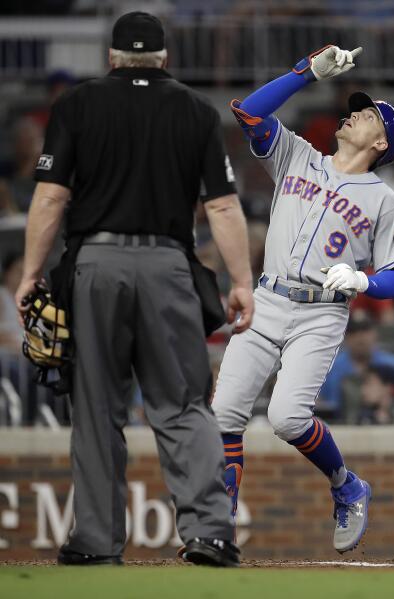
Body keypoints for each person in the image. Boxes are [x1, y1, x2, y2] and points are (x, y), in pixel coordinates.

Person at [15, 11, 254, 568]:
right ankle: (209, 533)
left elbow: (50, 198)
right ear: (164, 58)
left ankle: (97, 541)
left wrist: (29, 273)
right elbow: (219, 204)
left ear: (112, 58)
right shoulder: (195, 109)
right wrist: (241, 281)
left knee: (97, 408)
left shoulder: (77, 105)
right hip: (169, 263)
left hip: (95, 263)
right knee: (181, 405)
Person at [211, 44, 394, 554]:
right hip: (269, 296)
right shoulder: (300, 154)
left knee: (287, 419)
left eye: (364, 114)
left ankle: (346, 485)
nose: (352, 114)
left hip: (320, 312)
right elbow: (248, 112)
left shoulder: (383, 199)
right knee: (226, 411)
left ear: (381, 140)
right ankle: (218, 524)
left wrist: (364, 281)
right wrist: (306, 71)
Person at [320, 313, 394, 411]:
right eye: (353, 332)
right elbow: (325, 404)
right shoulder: (330, 366)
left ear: (375, 334)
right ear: (345, 337)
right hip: (341, 423)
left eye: (365, 330)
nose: (360, 337)